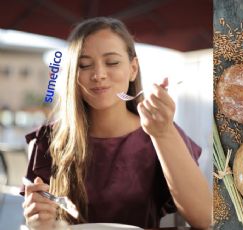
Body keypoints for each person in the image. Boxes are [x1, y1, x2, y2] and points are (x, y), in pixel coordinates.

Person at [20, 17, 212, 230]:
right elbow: (38, 217)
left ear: (133, 69)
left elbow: (205, 220)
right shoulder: (46, 140)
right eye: (84, 65)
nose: (99, 75)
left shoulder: (160, 132)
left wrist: (163, 133)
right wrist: (38, 222)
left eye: (112, 62)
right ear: (73, 74)